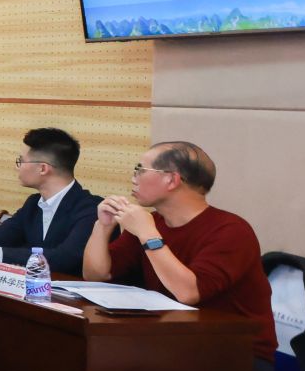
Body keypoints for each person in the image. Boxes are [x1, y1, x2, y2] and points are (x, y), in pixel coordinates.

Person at [83, 142, 272, 359]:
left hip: (233, 353)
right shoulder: (152, 222)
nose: (133, 178)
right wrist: (103, 226)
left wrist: (148, 235)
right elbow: (96, 274)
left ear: (172, 180)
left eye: (140, 169)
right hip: (169, 340)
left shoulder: (231, 230)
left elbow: (188, 292)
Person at [0, 128, 101, 277]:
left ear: (43, 168)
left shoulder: (90, 208)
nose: (17, 167)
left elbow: (65, 258)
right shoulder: (33, 203)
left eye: (21, 161)